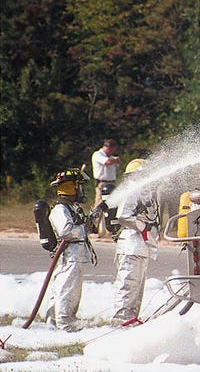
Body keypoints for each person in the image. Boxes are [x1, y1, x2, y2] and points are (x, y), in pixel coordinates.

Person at [45, 168, 99, 332]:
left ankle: (54, 323)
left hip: (76, 254)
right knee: (67, 290)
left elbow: (82, 227)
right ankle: (65, 324)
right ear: (71, 188)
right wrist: (83, 226)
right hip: (69, 255)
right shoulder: (60, 209)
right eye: (79, 186)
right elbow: (66, 231)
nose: (82, 190)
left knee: (66, 288)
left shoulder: (72, 208)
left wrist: (92, 218)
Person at [111, 158, 160, 325]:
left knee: (138, 285)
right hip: (131, 244)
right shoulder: (132, 191)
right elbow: (123, 216)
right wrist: (143, 226)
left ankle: (131, 318)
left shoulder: (145, 193)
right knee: (128, 283)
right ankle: (121, 319)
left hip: (140, 245)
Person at [91, 139, 120, 236]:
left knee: (110, 207)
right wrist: (115, 160)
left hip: (111, 184)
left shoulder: (111, 157)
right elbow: (107, 162)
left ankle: (107, 230)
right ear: (108, 147)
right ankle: (92, 229)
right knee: (98, 206)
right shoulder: (98, 154)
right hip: (102, 183)